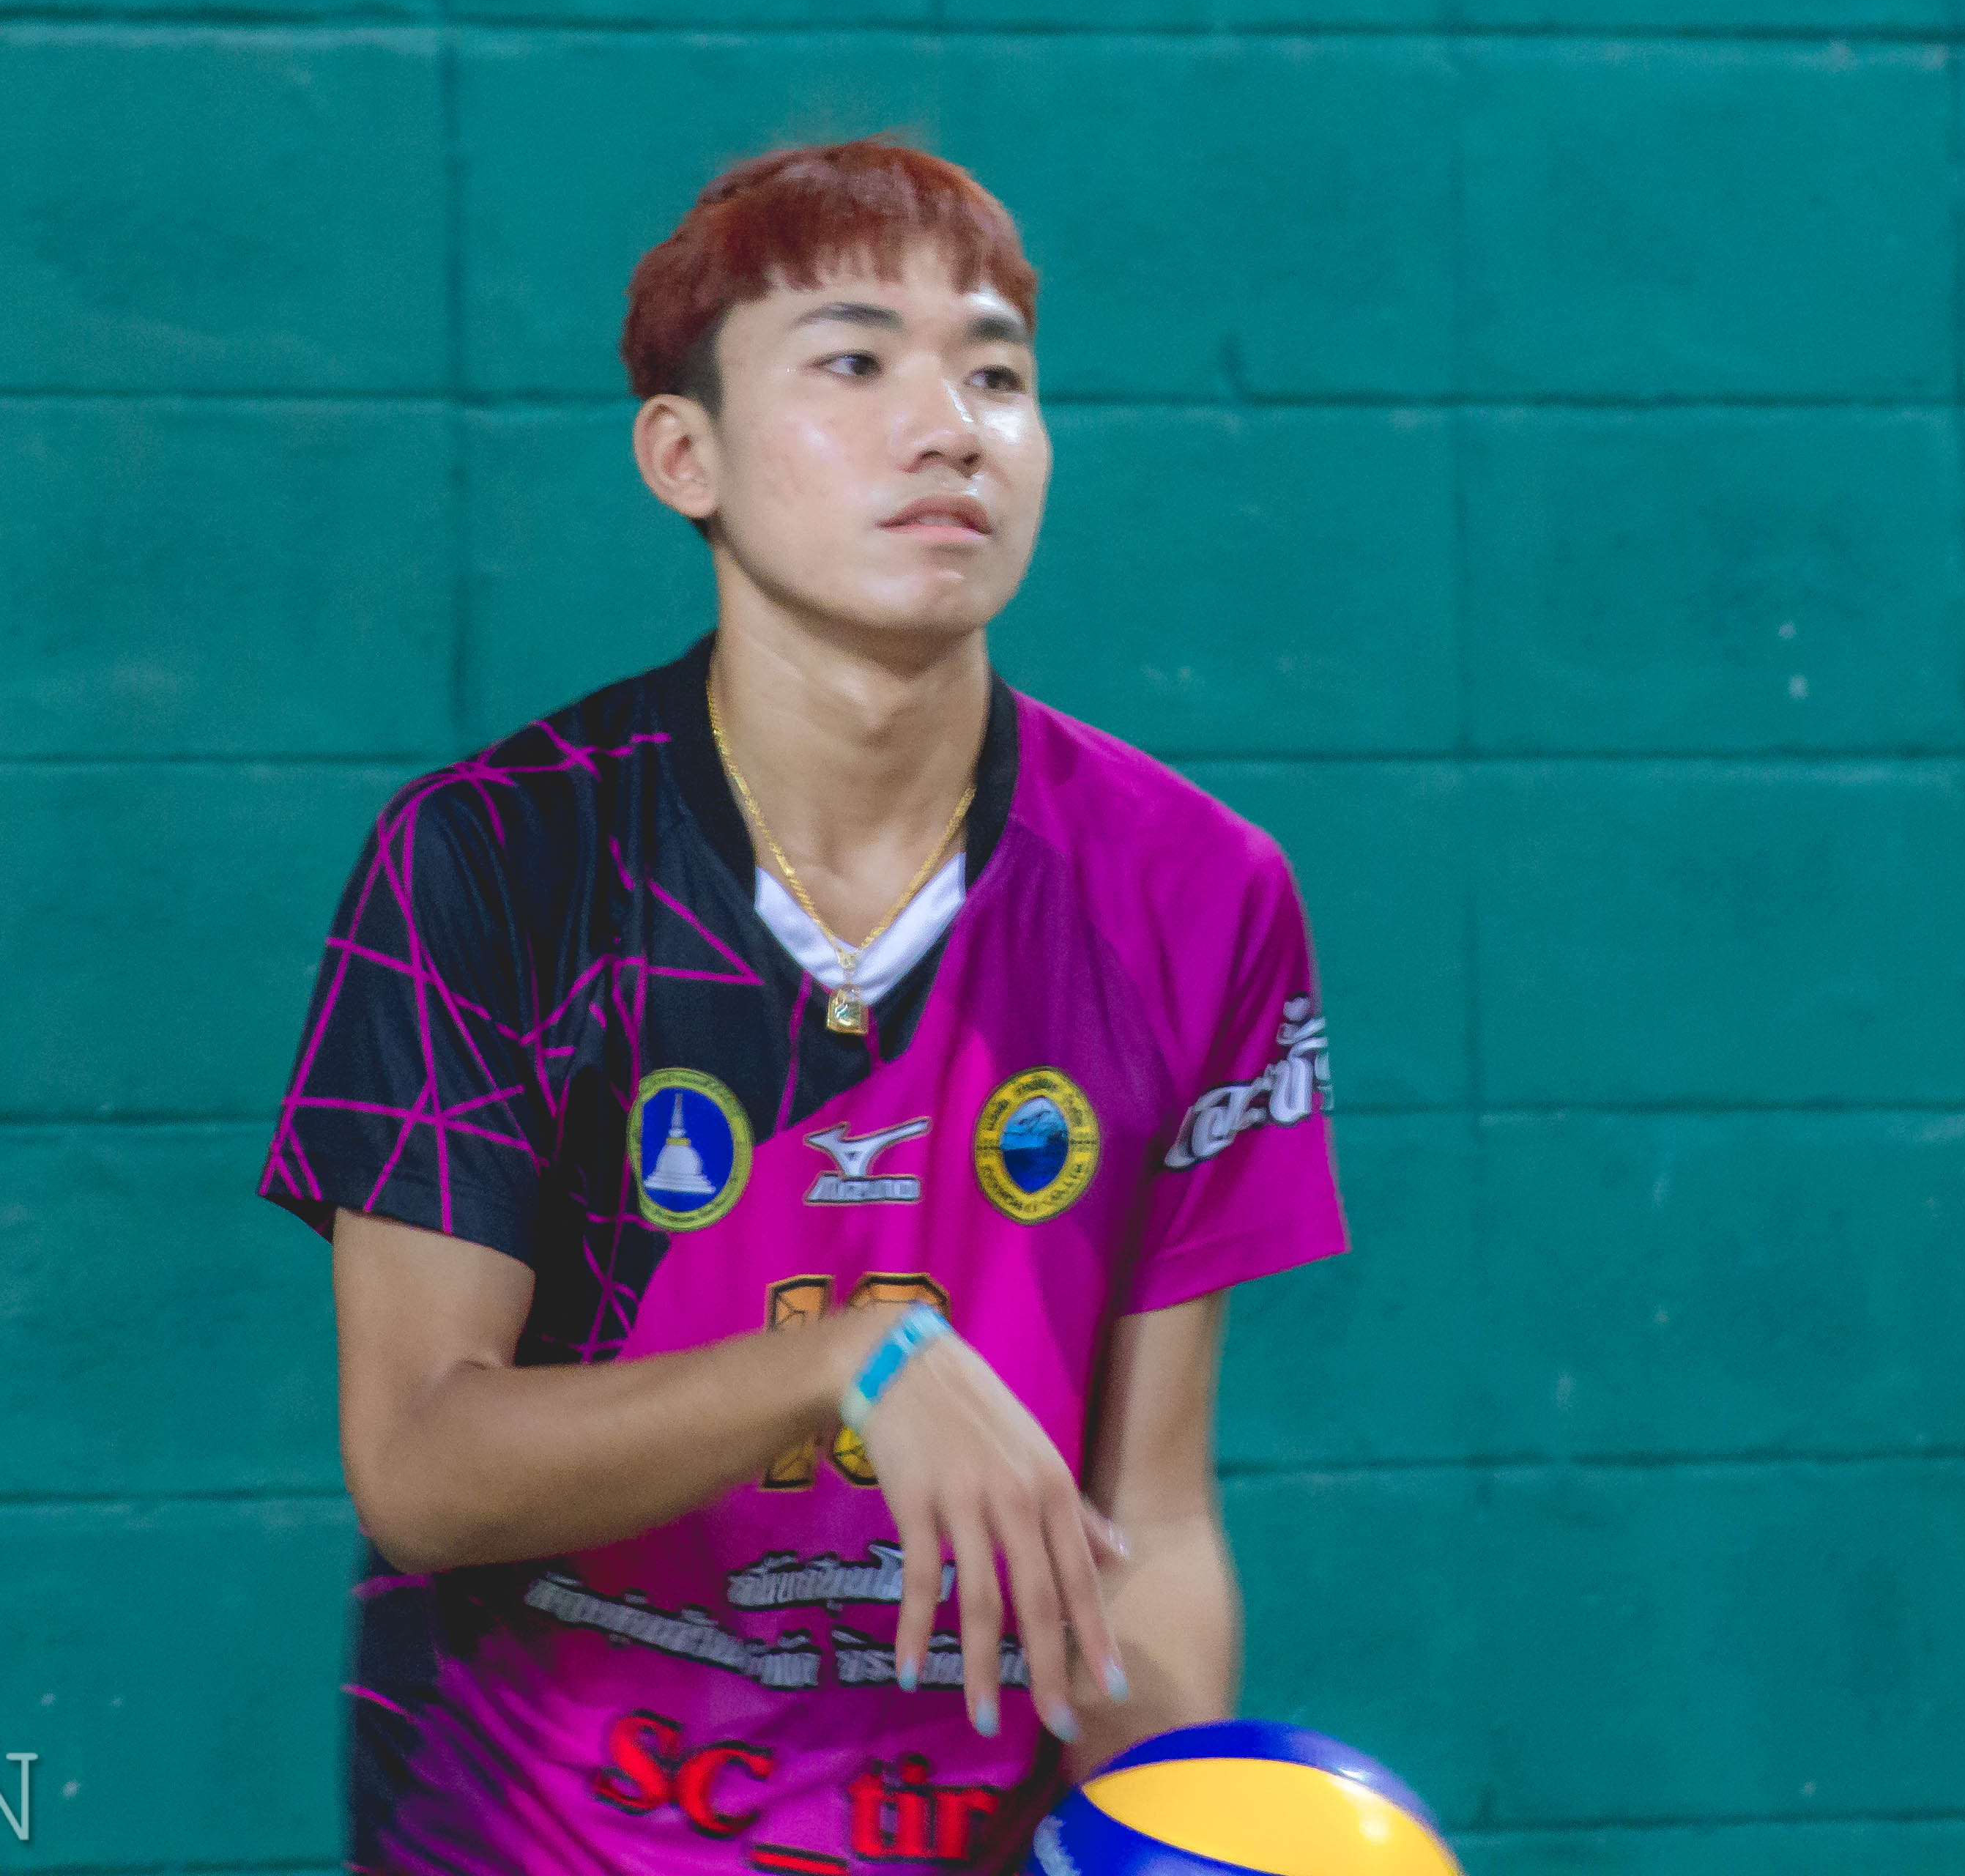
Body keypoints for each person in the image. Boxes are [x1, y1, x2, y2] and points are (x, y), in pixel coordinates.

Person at [254, 137, 1348, 1875]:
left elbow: (1148, 1519)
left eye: (996, 375)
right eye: (855, 362)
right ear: (681, 457)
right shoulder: (493, 860)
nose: (951, 427)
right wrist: (847, 1359)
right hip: (541, 1839)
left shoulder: (1196, 895)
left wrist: (1174, 1830)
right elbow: (423, 1465)